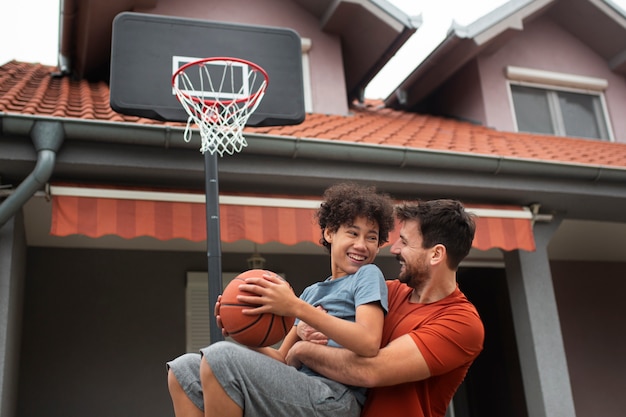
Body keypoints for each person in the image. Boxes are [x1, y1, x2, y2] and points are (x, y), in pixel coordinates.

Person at [166, 182, 396, 417]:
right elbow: (283, 360)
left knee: (221, 357)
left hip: (337, 397)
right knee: (184, 369)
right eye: (352, 233)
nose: (361, 245)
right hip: (300, 387)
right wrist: (239, 331)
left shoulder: (367, 275)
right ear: (329, 233)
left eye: (372, 238)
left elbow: (368, 342)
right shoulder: (311, 293)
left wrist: (297, 307)